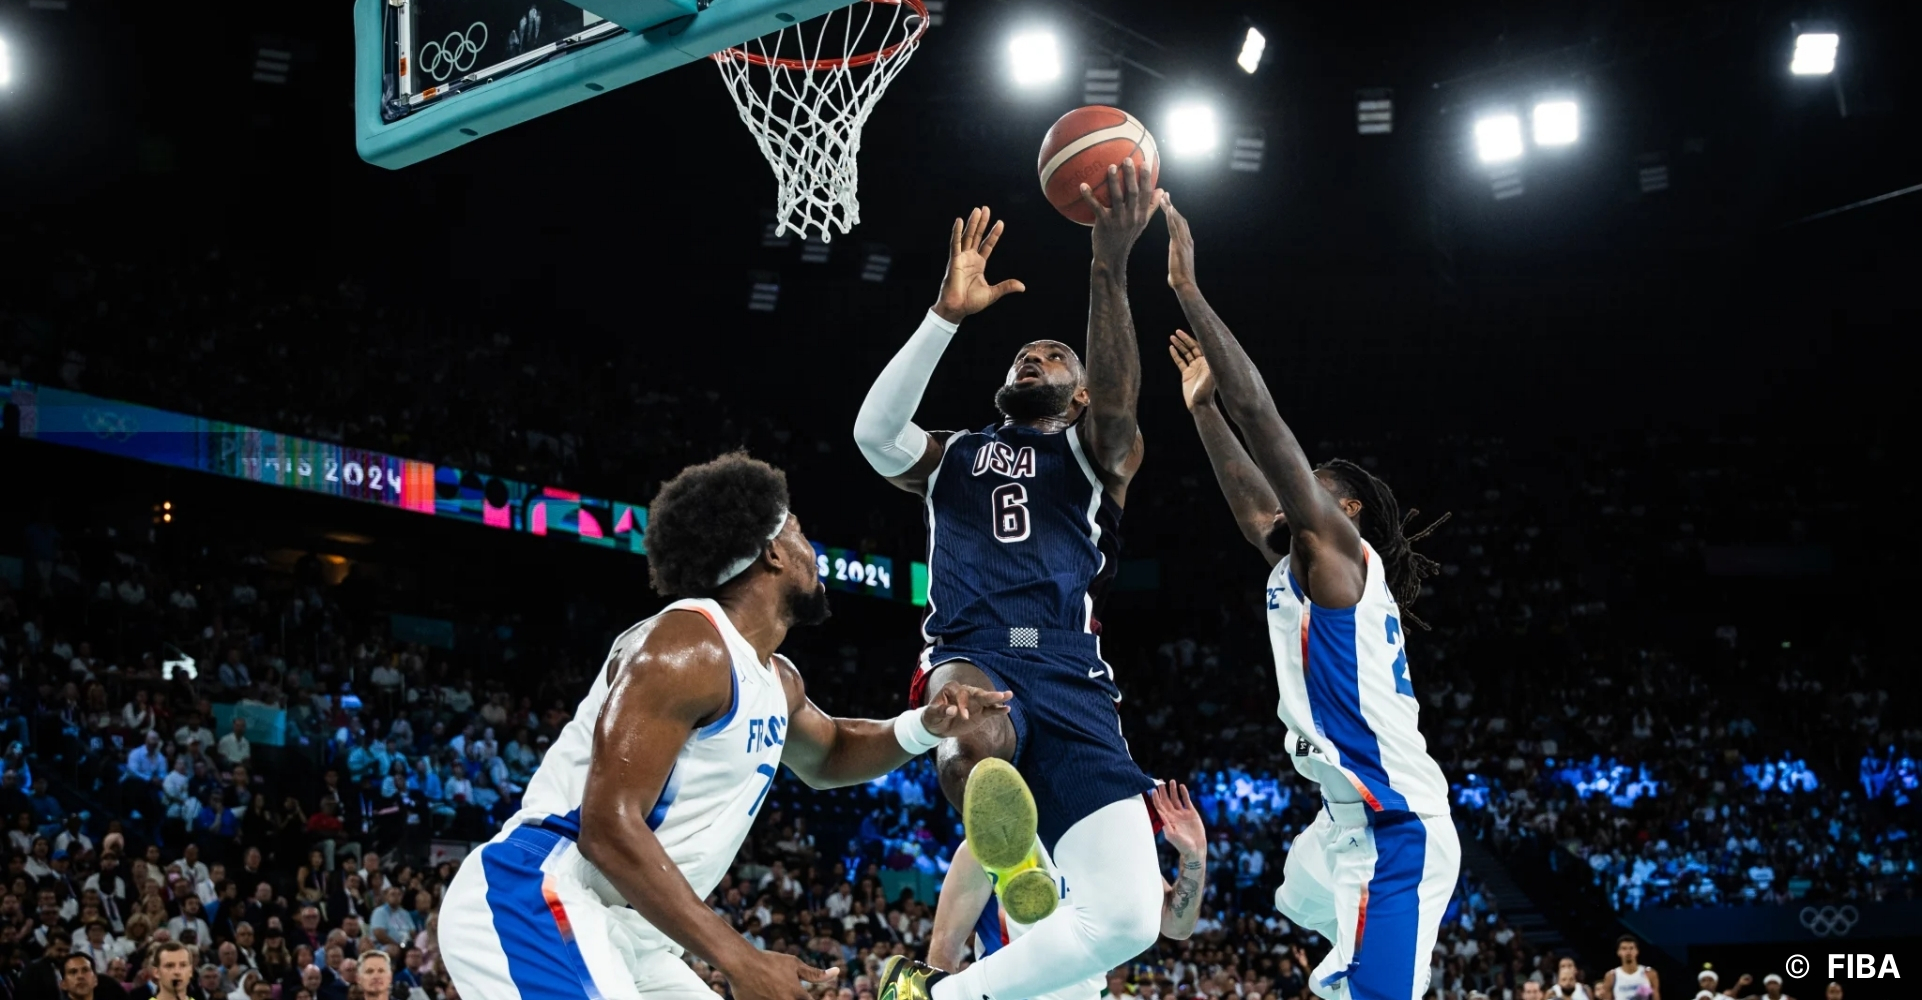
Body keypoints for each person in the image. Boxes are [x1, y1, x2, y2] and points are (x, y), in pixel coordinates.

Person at [439, 453, 1010, 1000]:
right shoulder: (688, 646)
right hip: (540, 893)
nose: (813, 551)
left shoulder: (775, 679)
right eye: (801, 533)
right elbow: (607, 827)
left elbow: (832, 752)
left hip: (635, 934)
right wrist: (740, 959)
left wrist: (926, 726)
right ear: (773, 554)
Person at [852, 164, 1169, 1000]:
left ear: (1081, 394)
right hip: (975, 650)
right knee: (970, 736)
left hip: (1073, 673)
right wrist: (942, 319)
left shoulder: (1098, 451)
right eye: (1026, 353)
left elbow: (1123, 401)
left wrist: (1108, 262)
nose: (1034, 357)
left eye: (1054, 356)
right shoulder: (954, 452)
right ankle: (1015, 854)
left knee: (1131, 919)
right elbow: (874, 433)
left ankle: (935, 996)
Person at [1162, 195, 1457, 1000]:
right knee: (1297, 892)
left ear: (1346, 510)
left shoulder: (1338, 556)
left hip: (1397, 834)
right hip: (1338, 825)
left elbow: (1265, 417)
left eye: (1316, 488)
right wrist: (1202, 412)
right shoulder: (1301, 557)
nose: (1298, 493)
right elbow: (1253, 504)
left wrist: (1190, 288)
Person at [925, 780, 1209, 1000]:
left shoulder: (1109, 851)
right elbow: (942, 955)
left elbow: (1176, 927)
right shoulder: (986, 850)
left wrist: (1194, 856)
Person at [1597, 936, 1661, 1000]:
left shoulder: (1650, 973)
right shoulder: (1611, 976)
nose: (1628, 952)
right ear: (1618, 952)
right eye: (1624, 949)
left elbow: (1656, 997)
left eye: (1631, 948)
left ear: (1637, 951)